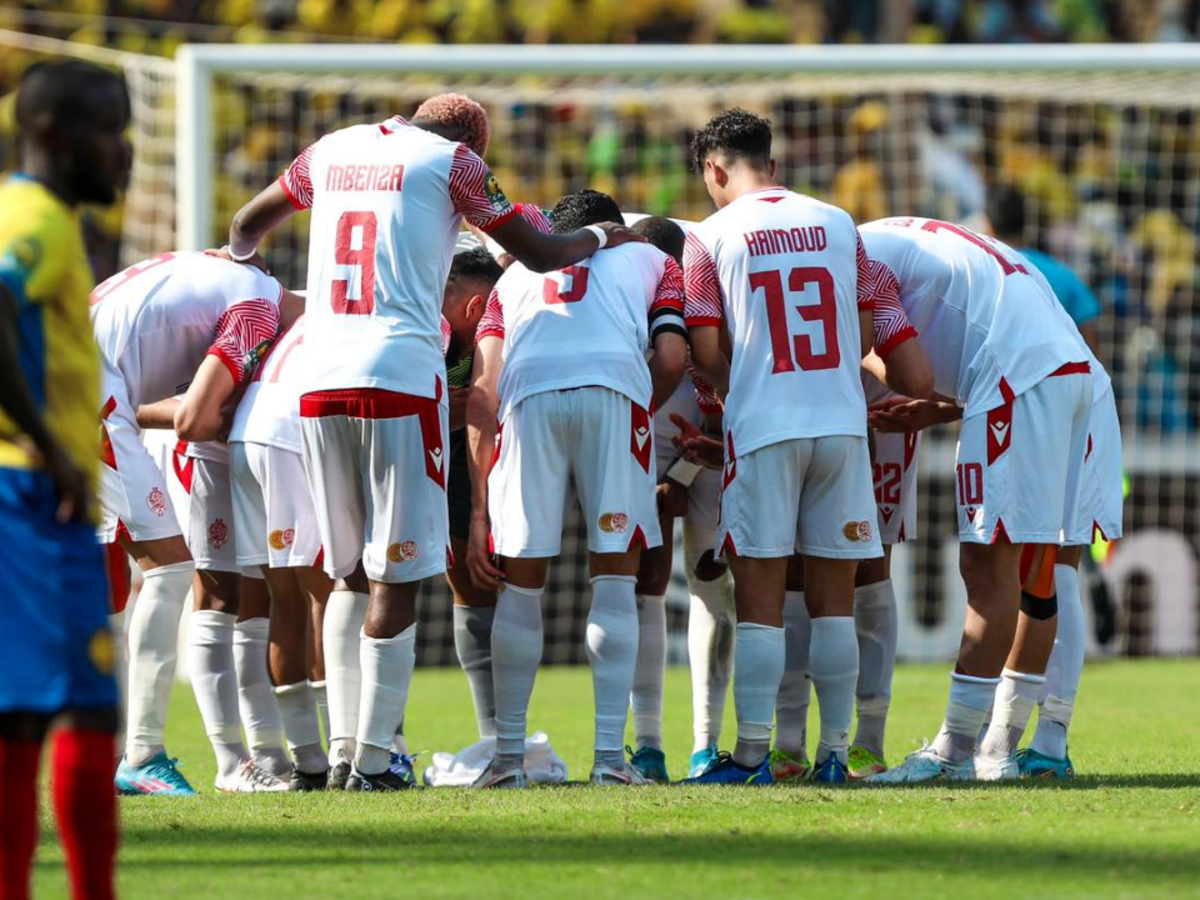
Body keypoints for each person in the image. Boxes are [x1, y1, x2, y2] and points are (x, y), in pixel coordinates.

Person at [229, 93, 644, 791]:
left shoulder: (330, 149)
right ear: (471, 140)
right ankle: (375, 762)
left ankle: (340, 754)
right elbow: (540, 252)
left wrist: (238, 260)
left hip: (316, 375)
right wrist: (604, 238)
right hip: (397, 372)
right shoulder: (453, 161)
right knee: (400, 573)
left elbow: (247, 223)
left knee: (344, 576)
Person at [682, 108, 882, 786]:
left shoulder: (709, 237)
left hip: (766, 427)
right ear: (772, 162)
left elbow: (706, 351)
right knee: (834, 600)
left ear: (715, 170)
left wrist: (751, 383)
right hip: (843, 427)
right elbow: (862, 328)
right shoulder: (838, 223)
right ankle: (835, 754)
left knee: (761, 598)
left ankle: (753, 756)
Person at [859, 216, 1096, 784]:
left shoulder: (852, 258)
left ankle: (954, 751)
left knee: (990, 565)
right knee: (1041, 570)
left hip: (1013, 380)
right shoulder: (897, 237)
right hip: (1070, 372)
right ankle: (1005, 748)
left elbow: (906, 370)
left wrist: (859, 361)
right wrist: (945, 407)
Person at [465, 189, 689, 788]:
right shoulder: (654, 259)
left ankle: (508, 759)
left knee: (522, 585)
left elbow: (482, 392)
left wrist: (480, 511)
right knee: (615, 578)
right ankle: (611, 761)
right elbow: (671, 355)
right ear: (616, 229)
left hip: (527, 399)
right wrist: (639, 410)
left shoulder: (508, 281)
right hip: (613, 391)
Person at [92, 250, 303, 793]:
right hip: (84, 393)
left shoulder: (222, 274)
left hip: (67, 375)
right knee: (168, 568)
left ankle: (106, 754)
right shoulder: (258, 307)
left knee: (105, 586)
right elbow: (192, 421)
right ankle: (142, 753)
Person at [0, 59, 129, 900]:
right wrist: (48, 444)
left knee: (16, 718)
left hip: (24, 493)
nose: (121, 154)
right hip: (28, 499)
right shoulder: (34, 219)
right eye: (107, 133)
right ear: (52, 133)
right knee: (86, 705)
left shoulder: (36, 214)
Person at [769, 272, 933, 783]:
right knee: (791, 569)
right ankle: (789, 741)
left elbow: (909, 364)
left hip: (878, 414)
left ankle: (867, 740)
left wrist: (860, 357)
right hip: (795, 412)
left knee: (869, 567)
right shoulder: (778, 253)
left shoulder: (871, 269)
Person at [229, 312, 335, 791]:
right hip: (291, 436)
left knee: (284, 598)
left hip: (246, 433)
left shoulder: (311, 304)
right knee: (324, 594)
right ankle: (344, 751)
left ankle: (309, 760)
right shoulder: (393, 306)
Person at [986, 184, 1103, 354]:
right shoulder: (1064, 275)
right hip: (1057, 376)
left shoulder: (981, 274)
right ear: (1027, 225)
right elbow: (1090, 342)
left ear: (988, 226)